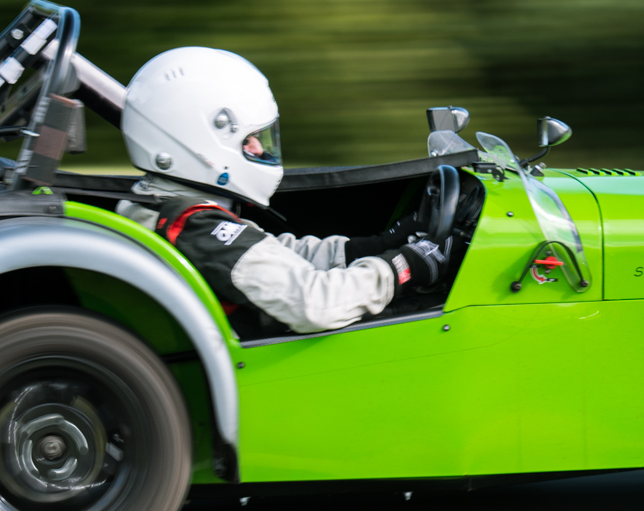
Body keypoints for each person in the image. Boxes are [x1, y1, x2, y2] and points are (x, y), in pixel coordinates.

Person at [113, 47, 448, 334]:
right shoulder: (194, 227)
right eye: (248, 138)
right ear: (199, 140)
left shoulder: (157, 207)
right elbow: (315, 304)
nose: (259, 148)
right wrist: (404, 267)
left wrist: (375, 247)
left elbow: (271, 257)